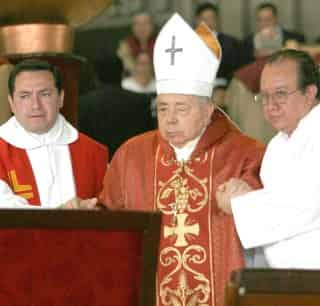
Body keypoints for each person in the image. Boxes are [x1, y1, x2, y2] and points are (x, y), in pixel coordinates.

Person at [99, 13, 265, 306]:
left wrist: (247, 200)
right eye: (163, 109)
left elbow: (265, 225)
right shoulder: (131, 155)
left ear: (208, 109)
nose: (171, 120)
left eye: (182, 109)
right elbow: (109, 224)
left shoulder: (246, 155)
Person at [217, 49, 320, 269]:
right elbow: (282, 197)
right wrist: (247, 192)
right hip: (286, 279)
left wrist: (240, 204)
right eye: (264, 96)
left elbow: (306, 205)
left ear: (309, 94)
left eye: (281, 94)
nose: (270, 105)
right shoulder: (277, 144)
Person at [0, 59, 108, 209]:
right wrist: (61, 213)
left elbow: (111, 209)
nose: (35, 105)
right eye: (25, 96)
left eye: (45, 94)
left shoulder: (94, 153)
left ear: (61, 98)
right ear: (11, 103)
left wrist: (95, 210)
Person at [241, 2, 305, 66]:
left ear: (275, 19)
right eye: (259, 20)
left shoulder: (294, 37)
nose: (263, 24)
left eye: (267, 20)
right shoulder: (248, 41)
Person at [195, 2, 241, 83]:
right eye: (204, 19)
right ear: (198, 21)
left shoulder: (231, 43)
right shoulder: (190, 42)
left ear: (217, 20)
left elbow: (236, 70)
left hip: (223, 86)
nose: (208, 23)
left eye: (211, 18)